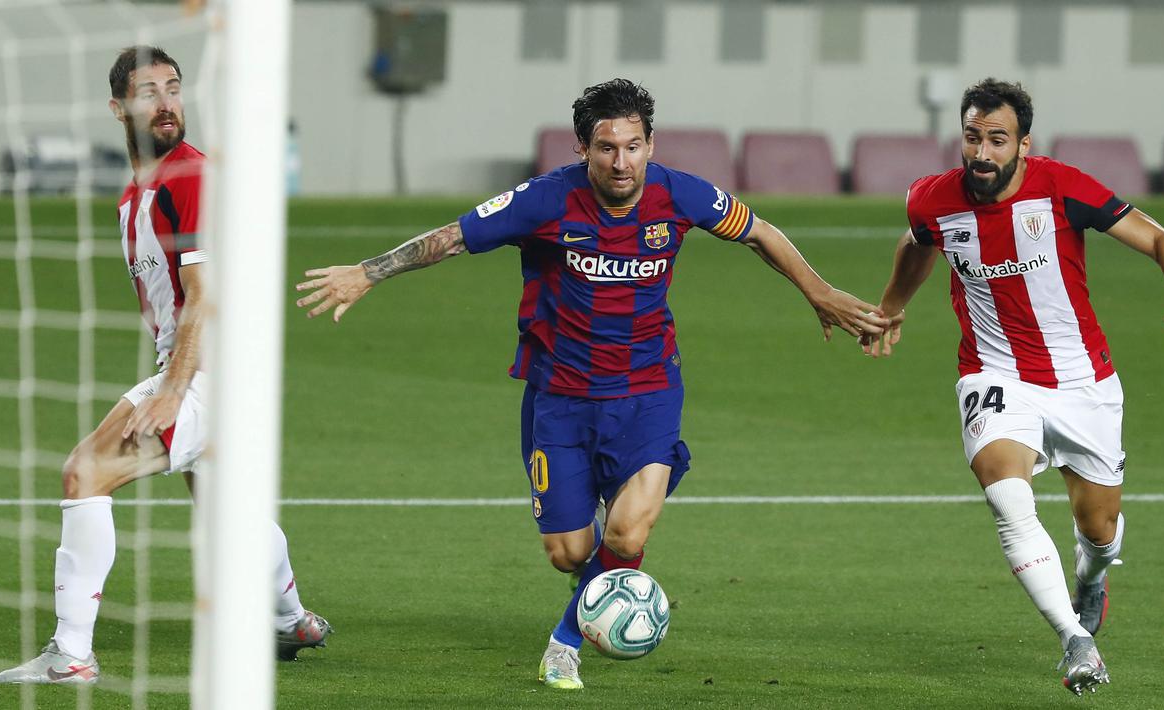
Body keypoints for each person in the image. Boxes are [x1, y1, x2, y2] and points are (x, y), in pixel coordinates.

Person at [295, 78, 889, 690]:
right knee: (571, 554)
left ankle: (566, 640)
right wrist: (369, 272)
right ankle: (602, 573)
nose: (622, 161)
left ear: (650, 145)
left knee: (630, 532)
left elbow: (760, 231)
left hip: (649, 390)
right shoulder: (545, 201)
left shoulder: (681, 195)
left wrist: (818, 293)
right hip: (563, 399)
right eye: (607, 147)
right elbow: (453, 238)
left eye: (634, 146)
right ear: (584, 149)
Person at [0, 46, 331, 686]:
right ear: (119, 108)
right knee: (225, 509)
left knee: (85, 470)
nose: (167, 101)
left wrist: (175, 390)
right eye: (149, 91)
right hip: (214, 370)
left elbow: (208, 294)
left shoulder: (191, 177)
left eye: (173, 87)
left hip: (210, 373)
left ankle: (71, 655)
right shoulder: (136, 193)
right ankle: (291, 619)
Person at [860, 78, 1164, 696]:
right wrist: (891, 306)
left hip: (1083, 382)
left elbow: (1157, 237)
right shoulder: (932, 199)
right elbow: (919, 243)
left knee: (1099, 527)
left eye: (997, 139)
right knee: (1005, 493)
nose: (982, 153)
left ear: (1023, 143)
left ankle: (1093, 576)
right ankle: (1076, 639)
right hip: (993, 374)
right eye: (972, 138)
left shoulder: (1063, 187)